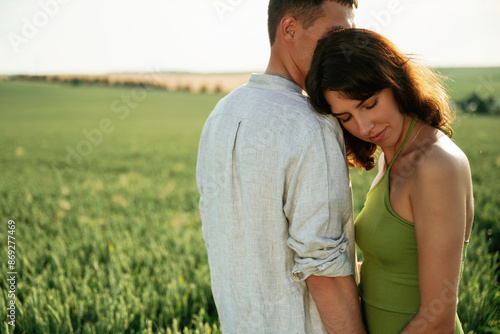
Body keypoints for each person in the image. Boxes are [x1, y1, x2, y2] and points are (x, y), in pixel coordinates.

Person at [196, 1, 366, 333]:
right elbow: (323, 268)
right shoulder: (311, 125)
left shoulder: (221, 114)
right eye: (336, 35)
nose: (346, 50)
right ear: (288, 29)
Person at [306, 28, 474, 334]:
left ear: (395, 81)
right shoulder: (392, 157)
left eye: (369, 104)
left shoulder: (435, 165)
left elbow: (437, 320)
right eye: (345, 118)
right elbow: (388, 271)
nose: (364, 126)